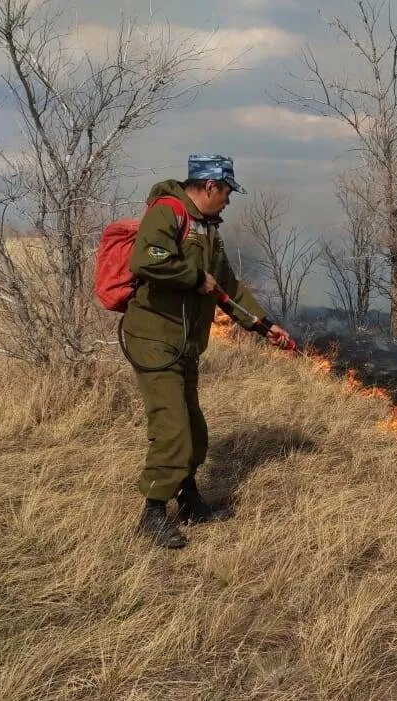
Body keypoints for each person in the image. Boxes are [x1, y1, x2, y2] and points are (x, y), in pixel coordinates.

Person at [122, 154, 290, 548]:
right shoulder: (168, 212)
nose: (229, 200)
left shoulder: (208, 227)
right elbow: (148, 259)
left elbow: (226, 287)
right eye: (228, 192)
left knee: (195, 430)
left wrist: (264, 325)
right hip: (155, 340)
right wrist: (195, 277)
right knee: (172, 428)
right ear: (211, 186)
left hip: (185, 344)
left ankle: (190, 500)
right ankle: (152, 513)